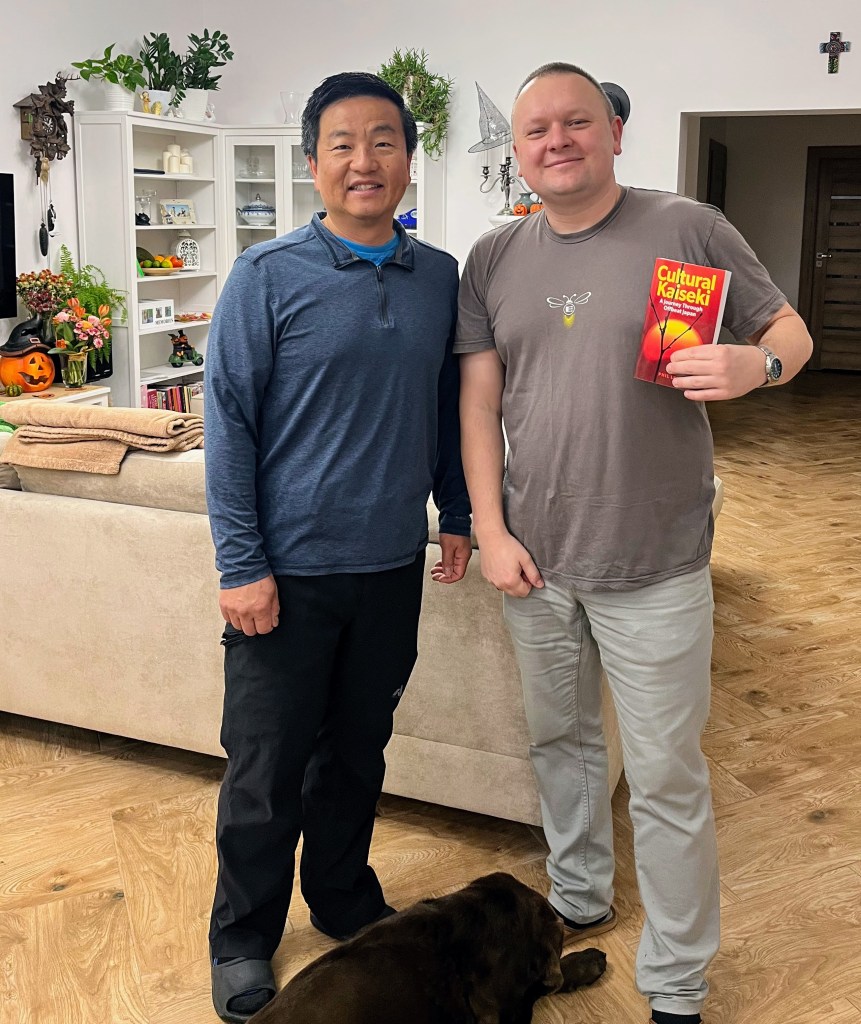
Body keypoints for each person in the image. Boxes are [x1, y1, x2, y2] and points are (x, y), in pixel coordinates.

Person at [455, 62, 813, 1024]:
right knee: (560, 744)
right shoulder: (492, 257)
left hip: (655, 560)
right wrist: (489, 530)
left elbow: (790, 329)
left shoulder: (686, 226)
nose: (556, 141)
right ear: (516, 151)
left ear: (613, 130)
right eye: (535, 130)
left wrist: (757, 364)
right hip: (535, 561)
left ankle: (676, 981)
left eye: (576, 121)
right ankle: (577, 894)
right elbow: (479, 403)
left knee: (664, 776)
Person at [204, 71, 472, 1023]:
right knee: (265, 767)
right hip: (287, 575)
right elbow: (228, 424)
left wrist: (457, 512)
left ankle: (343, 898)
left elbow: (445, 408)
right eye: (343, 144)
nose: (365, 161)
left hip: (390, 566)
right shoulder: (266, 275)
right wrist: (241, 565)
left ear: (408, 159)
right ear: (313, 163)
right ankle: (242, 935)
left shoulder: (439, 276)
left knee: (358, 753)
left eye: (383, 141)